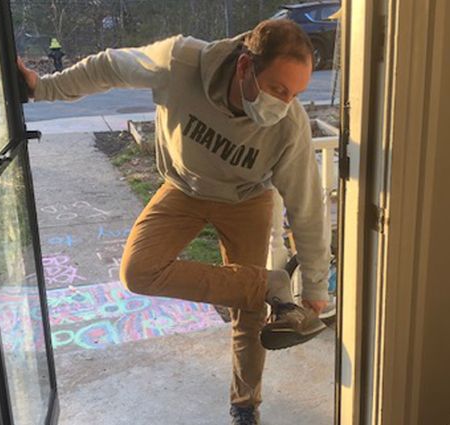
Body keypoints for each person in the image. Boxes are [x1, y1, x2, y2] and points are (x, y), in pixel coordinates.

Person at [17, 19, 331, 425]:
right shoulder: (180, 61)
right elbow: (110, 66)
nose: (284, 103)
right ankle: (267, 284)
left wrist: (317, 284)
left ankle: (245, 405)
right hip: (183, 188)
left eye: (295, 94)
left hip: (246, 198)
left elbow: (307, 205)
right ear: (243, 67)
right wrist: (42, 88)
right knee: (137, 271)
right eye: (277, 89)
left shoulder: (290, 125)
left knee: (249, 314)